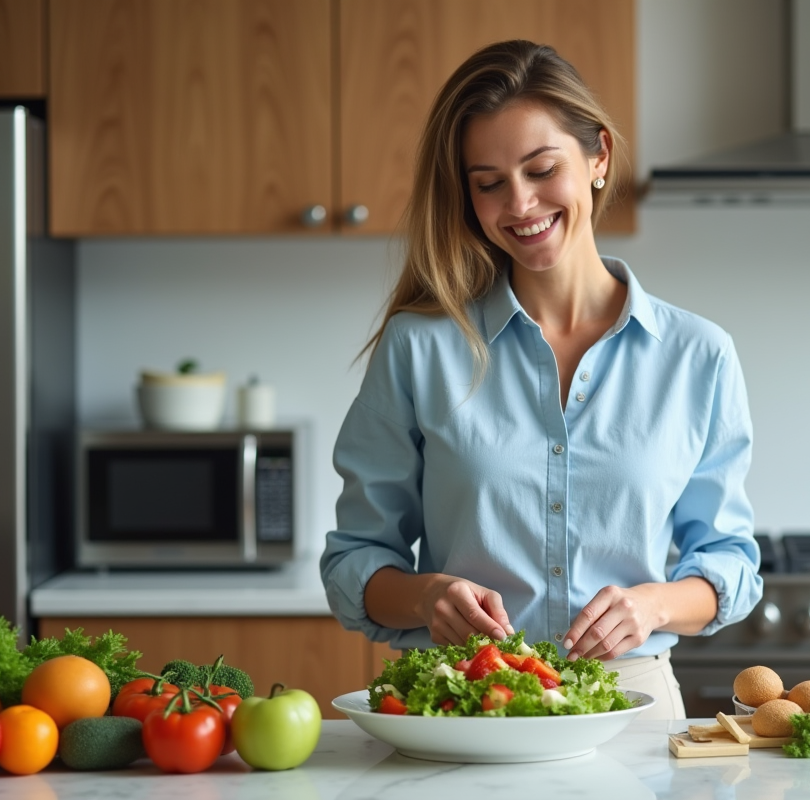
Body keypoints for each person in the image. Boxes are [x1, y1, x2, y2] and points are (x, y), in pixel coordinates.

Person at [320, 39, 761, 719]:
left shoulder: (697, 356)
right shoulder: (421, 348)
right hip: (462, 704)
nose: (519, 204)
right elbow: (355, 561)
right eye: (489, 181)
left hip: (629, 705)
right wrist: (426, 595)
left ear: (598, 157)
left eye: (541, 168)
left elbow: (729, 561)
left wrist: (651, 605)